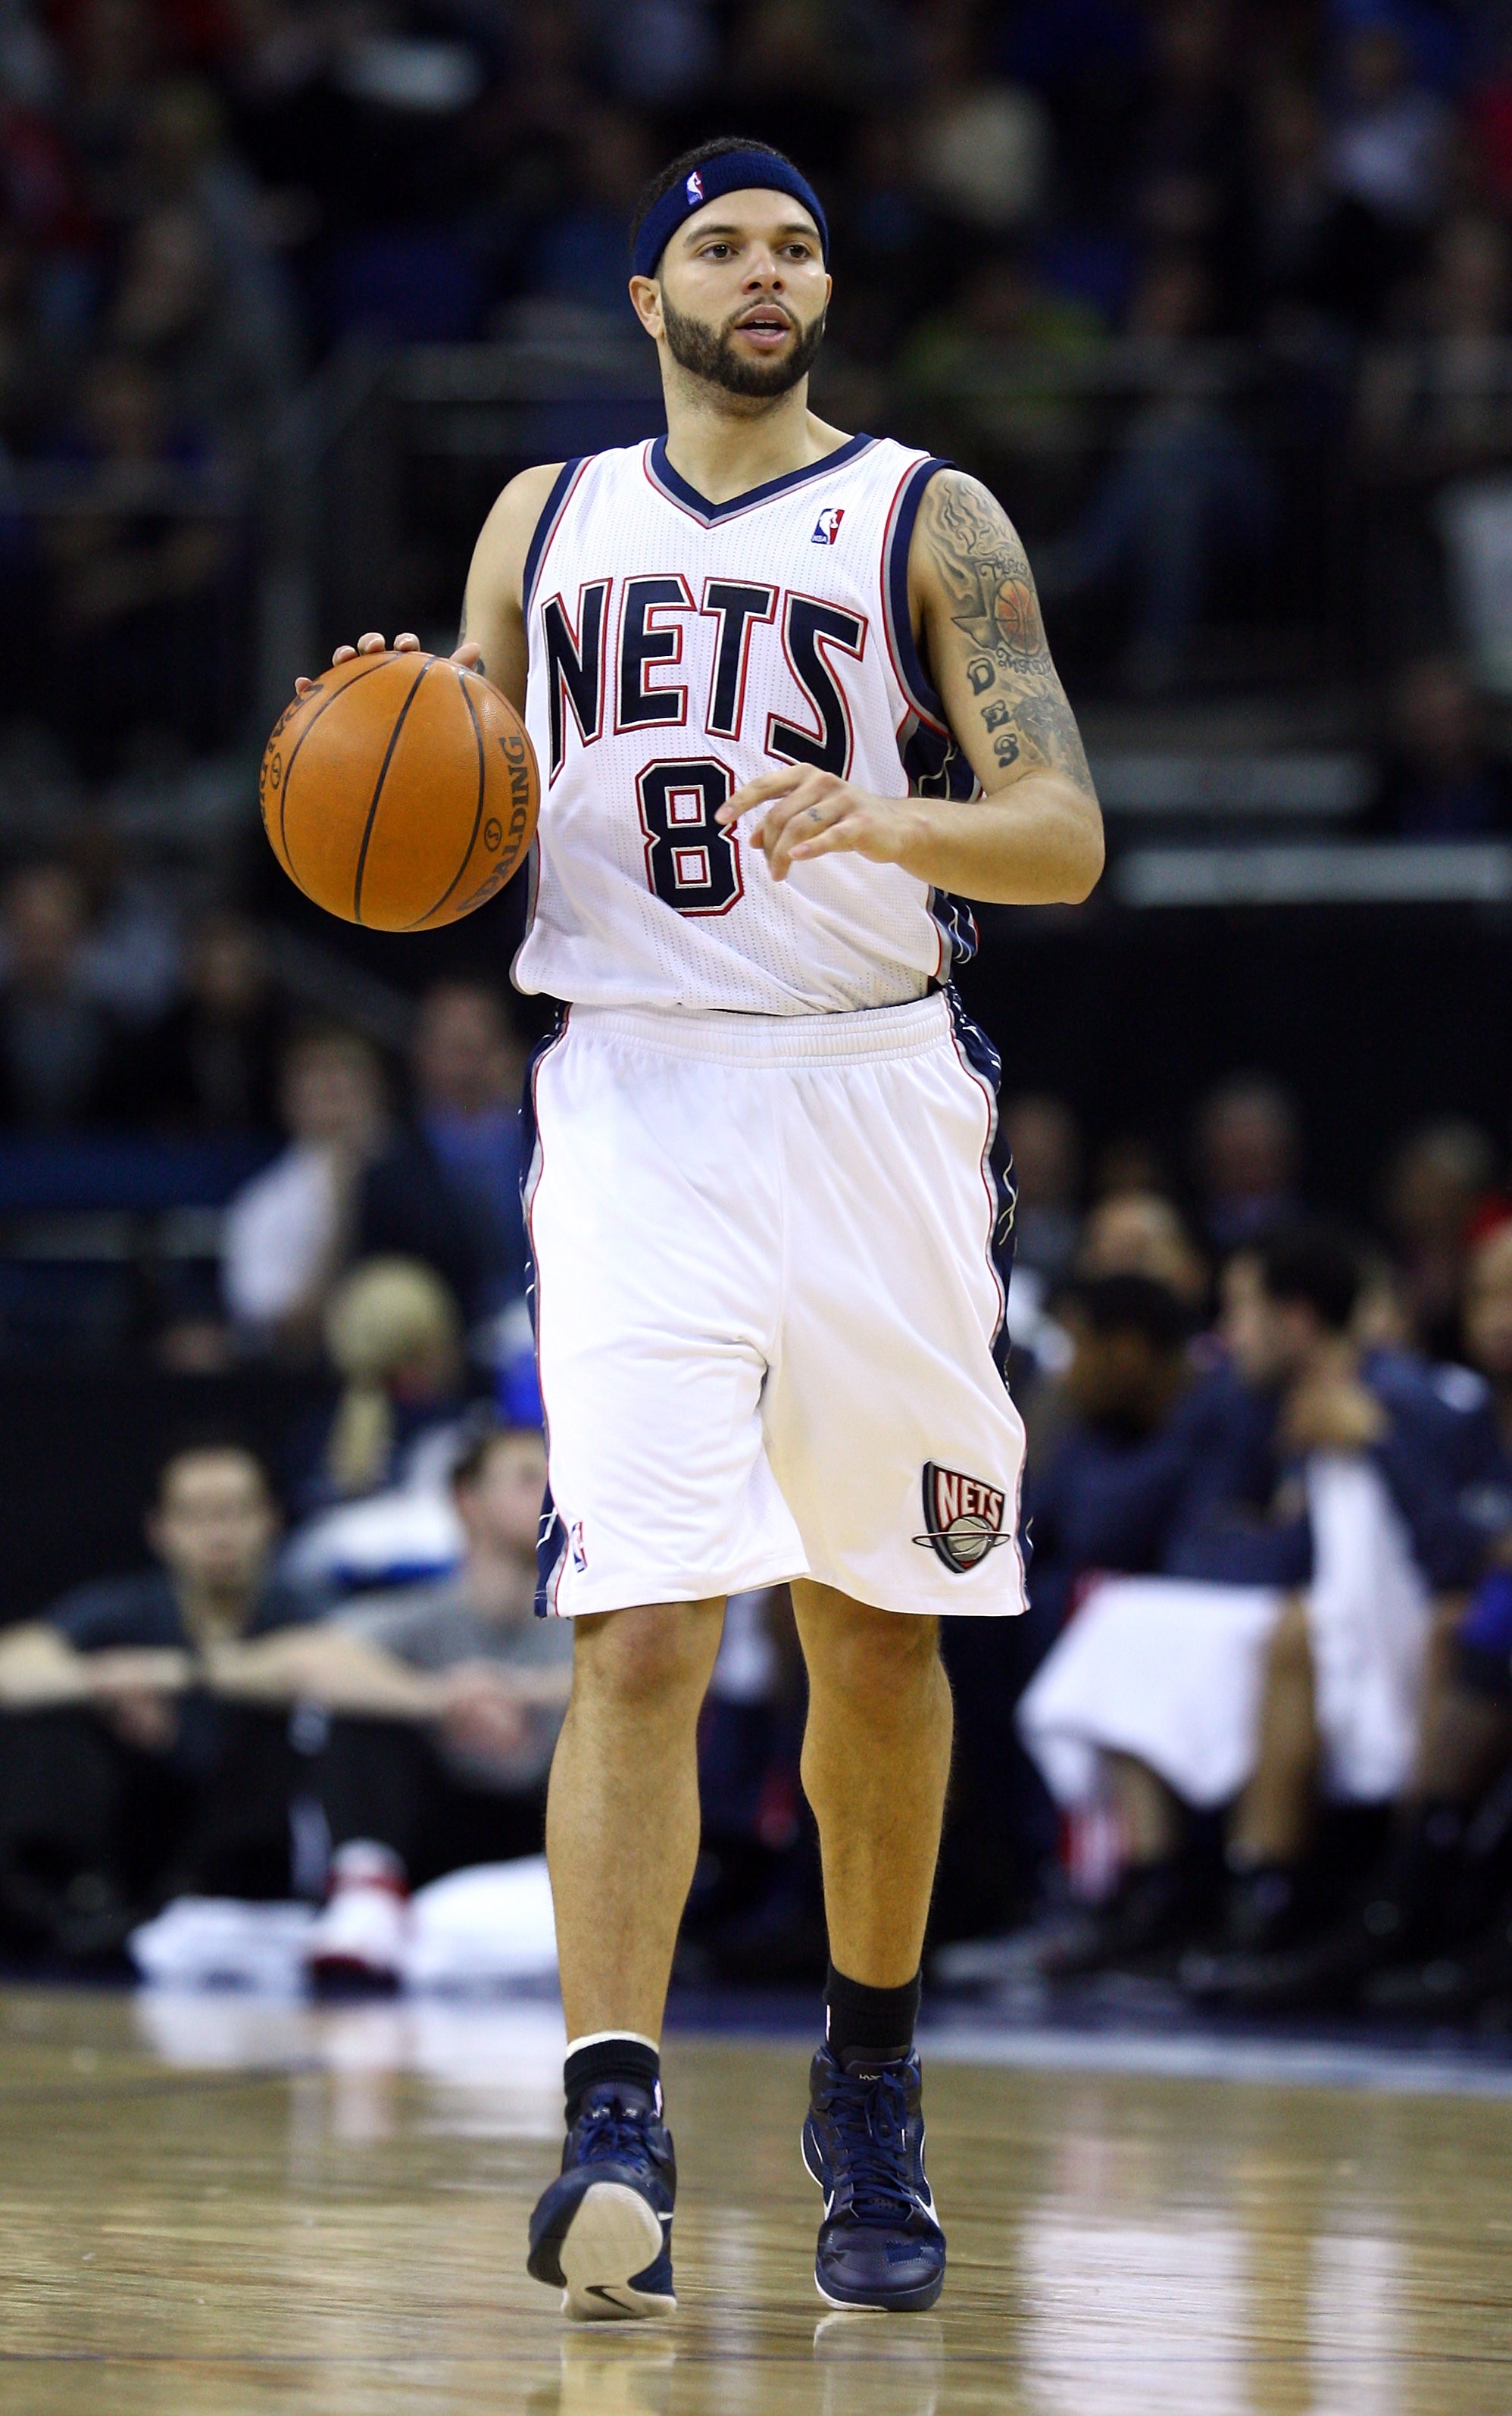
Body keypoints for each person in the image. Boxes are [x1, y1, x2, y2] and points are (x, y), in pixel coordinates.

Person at [298, 135, 1102, 2318]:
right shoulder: (539, 520)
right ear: (645, 294)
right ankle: (611, 2110)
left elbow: (1061, 832)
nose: (771, 272)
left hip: (868, 1089)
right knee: (637, 1621)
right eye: (726, 246)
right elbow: (457, 787)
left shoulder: (928, 514)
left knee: (873, 1623)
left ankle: (867, 2083)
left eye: (799, 244)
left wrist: (894, 806)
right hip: (635, 1093)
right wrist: (405, 730)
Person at [0, 1439, 316, 1951]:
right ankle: (73, 1899)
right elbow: (14, 1663)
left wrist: (179, 1671)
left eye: (236, 1511)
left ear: (272, 1520)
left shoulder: (300, 1606)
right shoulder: (126, 1606)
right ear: (160, 1529)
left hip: (251, 1847)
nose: (219, 1533)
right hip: (138, 1819)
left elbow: (325, 1665)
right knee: (45, 1719)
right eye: (195, 1515)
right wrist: (101, 1684)